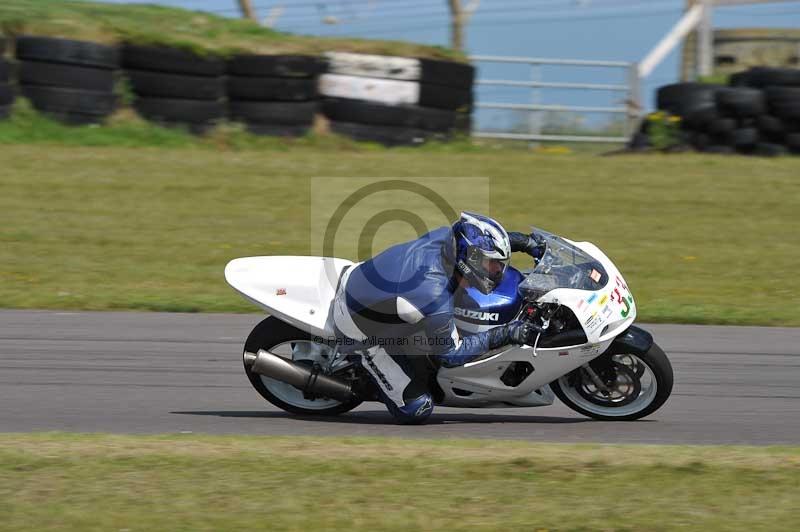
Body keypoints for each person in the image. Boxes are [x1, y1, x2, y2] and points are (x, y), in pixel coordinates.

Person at [332, 212, 544, 424]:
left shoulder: (449, 239)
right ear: (469, 261)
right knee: (417, 409)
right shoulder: (435, 295)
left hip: (369, 285)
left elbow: (482, 242)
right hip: (357, 325)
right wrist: (506, 333)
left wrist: (526, 243)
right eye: (492, 265)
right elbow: (451, 354)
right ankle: (371, 379)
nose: (498, 270)